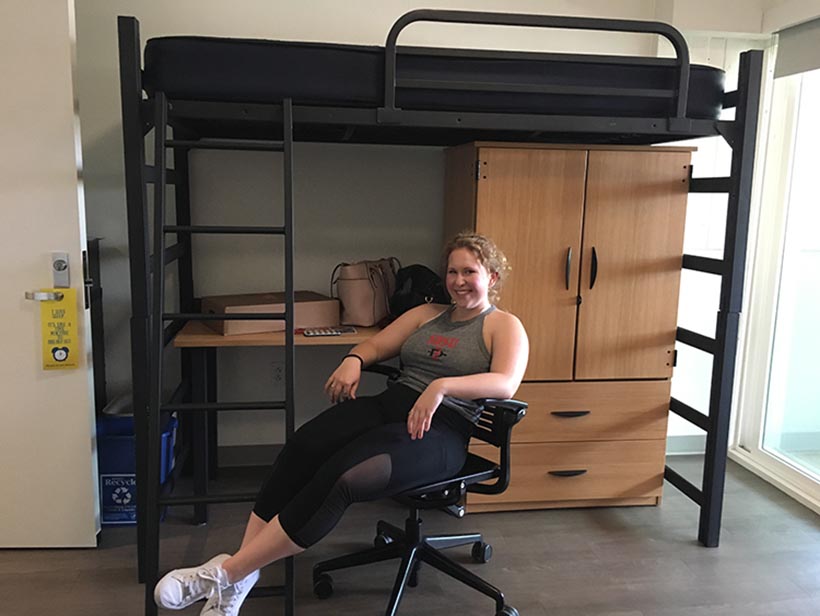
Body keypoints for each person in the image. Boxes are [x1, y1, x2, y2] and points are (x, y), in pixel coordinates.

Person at [153, 232, 529, 615]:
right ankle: (243, 572)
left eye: (470, 271)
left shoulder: (503, 325)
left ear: (492, 277)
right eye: (453, 271)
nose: (459, 280)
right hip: (390, 406)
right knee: (305, 445)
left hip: (440, 429)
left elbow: (505, 383)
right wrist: (354, 359)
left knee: (345, 476)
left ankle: (226, 574)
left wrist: (441, 386)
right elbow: (377, 345)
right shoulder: (426, 314)